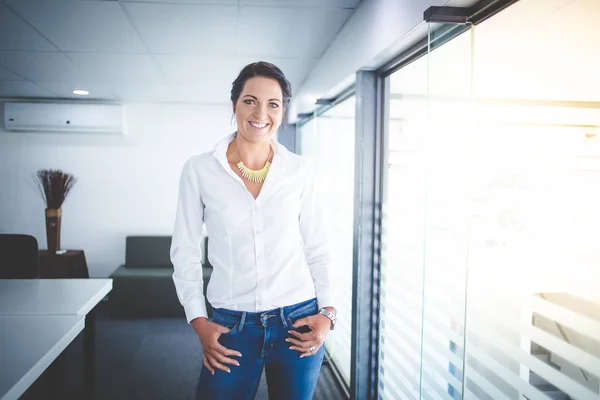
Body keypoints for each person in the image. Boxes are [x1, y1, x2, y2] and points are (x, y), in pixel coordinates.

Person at [170, 61, 337, 400]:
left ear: (283, 111)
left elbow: (318, 247)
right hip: (232, 325)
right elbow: (185, 251)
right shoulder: (200, 170)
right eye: (250, 100)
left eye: (273, 104)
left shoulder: (300, 170)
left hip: (298, 321)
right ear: (234, 105)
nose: (261, 112)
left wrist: (329, 314)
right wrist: (197, 320)